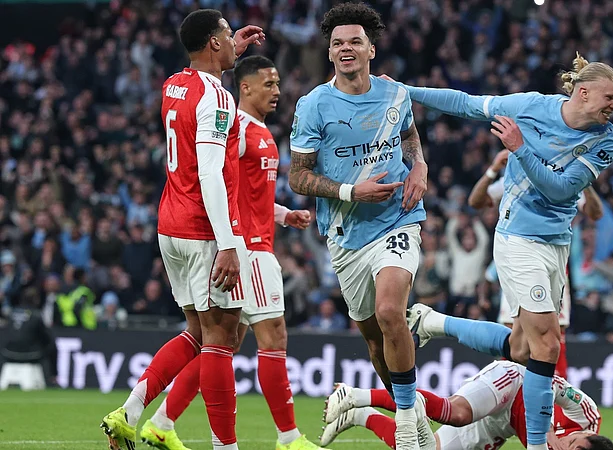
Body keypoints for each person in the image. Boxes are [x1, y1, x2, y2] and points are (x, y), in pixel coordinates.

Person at [394, 53, 613, 450]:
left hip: (557, 245)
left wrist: (520, 149)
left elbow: (561, 190)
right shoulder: (531, 106)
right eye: (610, 97)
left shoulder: (608, 140)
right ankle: (537, 446)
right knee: (548, 345)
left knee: (520, 348)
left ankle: (433, 322)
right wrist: (404, 90)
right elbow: (466, 103)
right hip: (517, 239)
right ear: (583, 93)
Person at [137, 55, 322, 450]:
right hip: (246, 249)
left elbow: (247, 193)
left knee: (221, 344)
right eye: (268, 84)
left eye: (278, 83)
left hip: (255, 241)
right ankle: (289, 438)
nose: (277, 91)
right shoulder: (235, 126)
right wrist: (229, 241)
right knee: (272, 335)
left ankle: (162, 421)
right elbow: (218, 184)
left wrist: (283, 214)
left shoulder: (261, 131)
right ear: (246, 87)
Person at [100, 9, 265, 450]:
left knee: (196, 333)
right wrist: (228, 244)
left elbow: (200, 82)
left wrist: (231, 53)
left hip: (170, 223)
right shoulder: (219, 98)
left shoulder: (174, 84)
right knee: (222, 337)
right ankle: (225, 446)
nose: (233, 39)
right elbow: (210, 172)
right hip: (203, 229)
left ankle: (129, 413)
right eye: (227, 34)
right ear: (213, 43)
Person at [288, 4, 434, 450]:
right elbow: (297, 176)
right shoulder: (314, 105)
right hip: (347, 234)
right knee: (374, 342)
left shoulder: (396, 94)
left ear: (371, 49)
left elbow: (409, 136)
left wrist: (419, 166)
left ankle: (405, 425)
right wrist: (352, 192)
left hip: (397, 220)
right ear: (330, 53)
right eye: (337, 43)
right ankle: (417, 421)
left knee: (391, 312)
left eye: (354, 41)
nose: (345, 49)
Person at [468, 149, 604, 377]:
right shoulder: (515, 176)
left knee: (553, 335)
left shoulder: (564, 179)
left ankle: (553, 398)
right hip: (518, 258)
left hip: (552, 262)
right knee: (513, 333)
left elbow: (595, 213)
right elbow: (476, 201)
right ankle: (509, 395)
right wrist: (493, 169)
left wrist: (584, 178)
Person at [320, 360, 613, 450]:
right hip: (513, 385)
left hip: (501, 424)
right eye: (573, 444)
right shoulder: (587, 415)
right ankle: (355, 395)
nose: (566, 448)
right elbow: (549, 382)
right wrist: (544, 426)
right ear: (587, 435)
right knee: (455, 413)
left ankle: (360, 416)